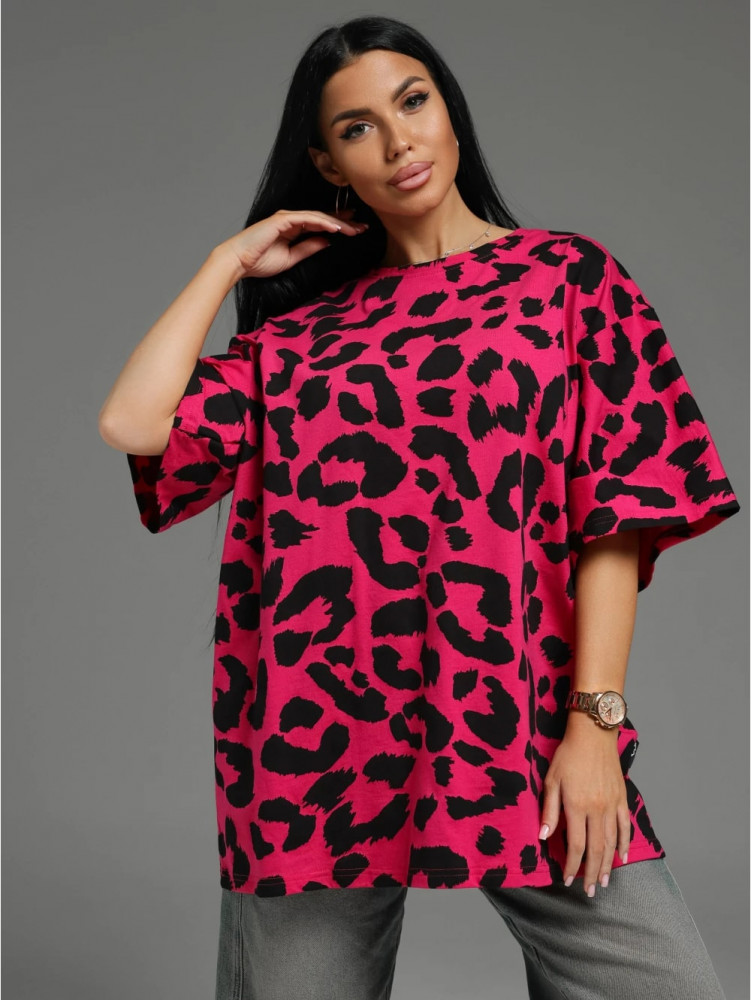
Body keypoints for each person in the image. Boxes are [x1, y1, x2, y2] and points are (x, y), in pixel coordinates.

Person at [98, 14, 740, 1000]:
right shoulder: (301, 342)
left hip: (517, 726)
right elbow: (134, 425)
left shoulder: (565, 281)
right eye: (357, 128)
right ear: (328, 165)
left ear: (448, 109)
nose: (398, 141)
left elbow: (614, 516)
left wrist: (594, 726)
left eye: (412, 102)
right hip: (317, 746)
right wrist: (228, 262)